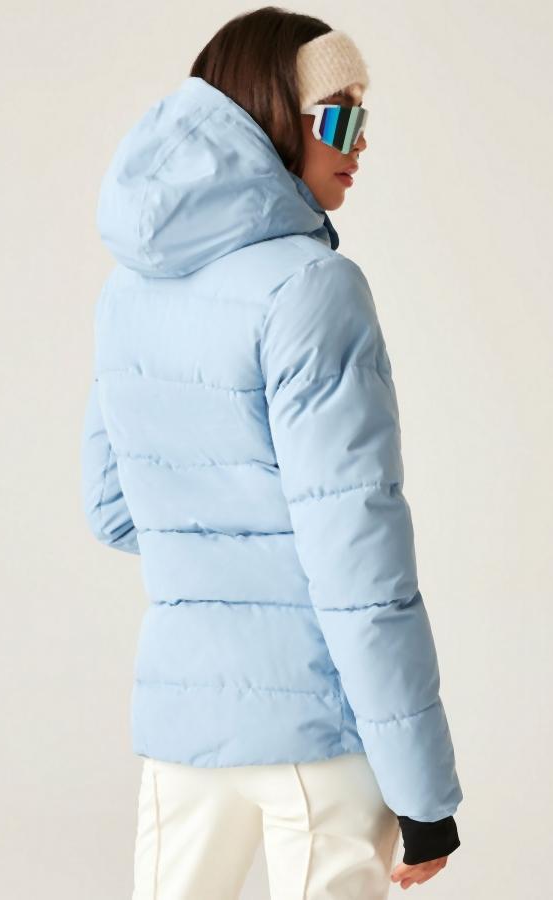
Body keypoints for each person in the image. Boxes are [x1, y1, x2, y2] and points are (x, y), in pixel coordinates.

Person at [81, 7, 464, 897]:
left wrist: (220, 552)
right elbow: (356, 556)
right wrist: (424, 793)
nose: (359, 142)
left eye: (364, 117)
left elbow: (111, 508)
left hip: (184, 724)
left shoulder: (129, 289)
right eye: (340, 116)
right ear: (272, 115)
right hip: (317, 728)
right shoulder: (314, 286)